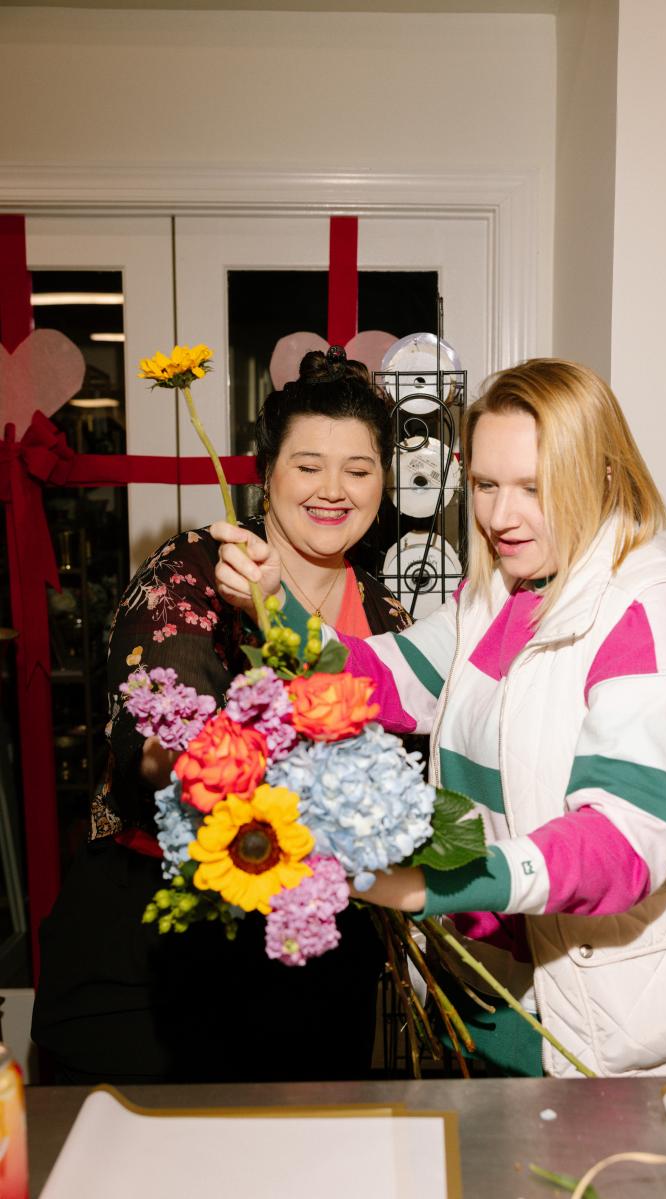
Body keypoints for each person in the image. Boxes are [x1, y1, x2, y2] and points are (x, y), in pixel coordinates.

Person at [213, 356, 666, 1078]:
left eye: (533, 487)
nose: (498, 517)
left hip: (637, 1042)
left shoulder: (658, 613)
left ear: (603, 473)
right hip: (497, 1012)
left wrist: (429, 883)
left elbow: (621, 846)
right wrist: (275, 603)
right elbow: (382, 681)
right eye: (486, 485)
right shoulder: (501, 590)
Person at [33, 347, 410, 1085]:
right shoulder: (196, 570)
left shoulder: (387, 613)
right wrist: (187, 764)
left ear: (383, 483)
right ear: (265, 473)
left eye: (359, 470)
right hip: (159, 937)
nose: (333, 490)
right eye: (308, 465)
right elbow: (156, 738)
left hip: (315, 950)